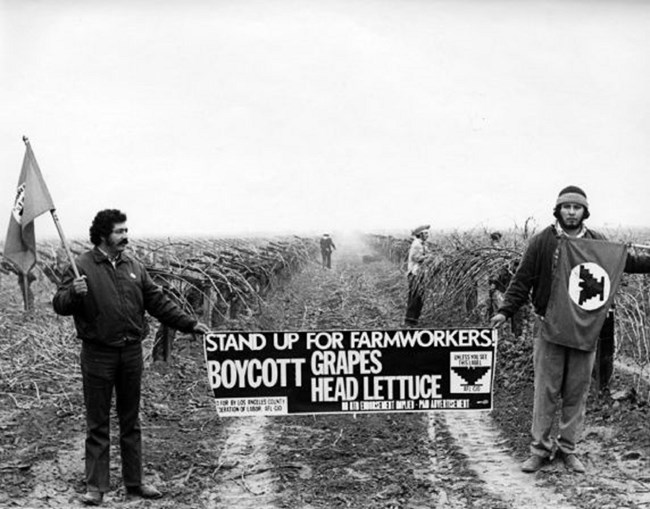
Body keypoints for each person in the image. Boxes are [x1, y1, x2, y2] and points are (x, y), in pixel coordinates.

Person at [52, 209, 210, 506]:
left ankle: (134, 484)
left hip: (131, 352)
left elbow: (157, 301)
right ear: (103, 235)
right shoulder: (80, 266)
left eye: (126, 230)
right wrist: (73, 292)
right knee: (97, 422)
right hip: (98, 354)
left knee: (130, 420)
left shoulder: (133, 265)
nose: (126, 236)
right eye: (119, 232)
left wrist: (188, 323)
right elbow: (59, 305)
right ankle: (96, 486)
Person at [490, 186, 650, 474]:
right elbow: (523, 278)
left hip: (585, 330)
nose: (572, 212)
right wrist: (505, 311)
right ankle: (539, 450)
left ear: (584, 211)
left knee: (577, 391)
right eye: (567, 207)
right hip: (549, 327)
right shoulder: (543, 241)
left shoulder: (596, 242)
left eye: (577, 208)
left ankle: (568, 449)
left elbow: (625, 263)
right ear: (558, 210)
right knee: (546, 391)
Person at [405, 224, 430, 327]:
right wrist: (428, 257)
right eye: (425, 233)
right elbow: (416, 258)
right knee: (415, 297)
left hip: (420, 274)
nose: (427, 235)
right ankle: (410, 320)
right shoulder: (417, 244)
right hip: (415, 274)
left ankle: (414, 319)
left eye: (427, 233)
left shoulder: (422, 244)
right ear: (420, 234)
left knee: (419, 297)